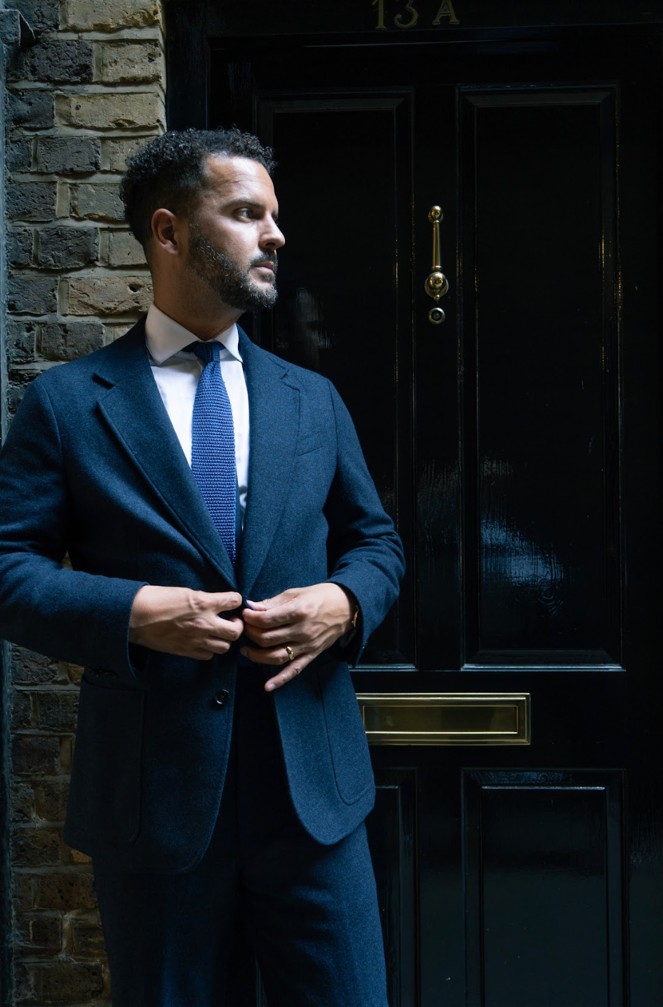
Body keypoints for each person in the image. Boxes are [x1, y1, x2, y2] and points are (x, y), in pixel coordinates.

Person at [0, 128, 404, 1006]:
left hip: (314, 801)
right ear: (169, 233)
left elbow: (377, 543)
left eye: (274, 216)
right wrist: (134, 610)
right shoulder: (68, 404)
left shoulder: (313, 399)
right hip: (155, 804)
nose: (274, 236)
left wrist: (343, 600)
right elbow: (8, 568)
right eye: (245, 213)